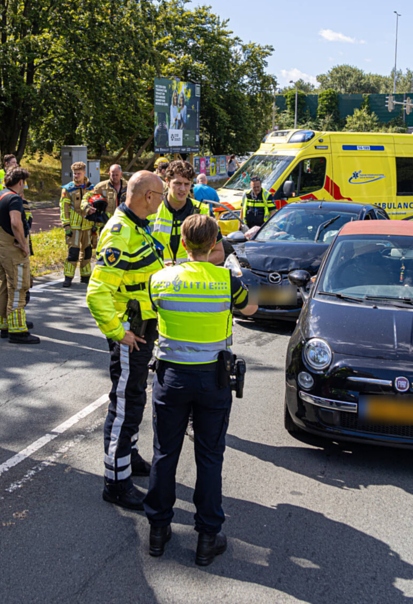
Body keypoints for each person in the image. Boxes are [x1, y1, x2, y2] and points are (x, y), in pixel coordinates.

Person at [144, 214, 257, 566]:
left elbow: (150, 310)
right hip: (212, 379)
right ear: (214, 245)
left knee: (165, 452)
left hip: (171, 377)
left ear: (182, 241)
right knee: (209, 456)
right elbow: (251, 307)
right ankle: (207, 537)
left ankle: (158, 532)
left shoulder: (160, 278)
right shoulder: (226, 280)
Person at [86, 171, 166, 510]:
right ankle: (115, 482)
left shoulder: (138, 228)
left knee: (134, 399)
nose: (162, 201)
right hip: (129, 333)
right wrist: (119, 332)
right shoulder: (120, 232)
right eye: (160, 195)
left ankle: (128, 456)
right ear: (148, 196)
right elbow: (97, 291)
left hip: (143, 330)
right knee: (123, 407)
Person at [0, 167, 38, 344]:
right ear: (21, 182)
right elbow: (16, 223)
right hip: (14, 251)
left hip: (1, 246)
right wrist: (23, 245)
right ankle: (17, 331)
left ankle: (4, 324)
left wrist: (0, 238)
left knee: (3, 287)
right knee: (18, 287)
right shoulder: (15, 199)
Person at [151, 160, 225, 266]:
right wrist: (158, 264)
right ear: (167, 182)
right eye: (177, 183)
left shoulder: (203, 211)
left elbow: (219, 254)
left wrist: (189, 264)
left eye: (186, 184)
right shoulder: (152, 209)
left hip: (192, 278)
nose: (182, 189)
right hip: (161, 278)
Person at [60, 161, 95, 287]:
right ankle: (68, 277)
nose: (76, 176)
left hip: (87, 225)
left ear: (84, 173)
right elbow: (63, 208)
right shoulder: (68, 188)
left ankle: (85, 277)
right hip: (73, 226)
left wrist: (95, 223)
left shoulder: (91, 188)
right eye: (74, 173)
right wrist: (66, 225)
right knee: (73, 252)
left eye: (78, 173)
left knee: (87, 252)